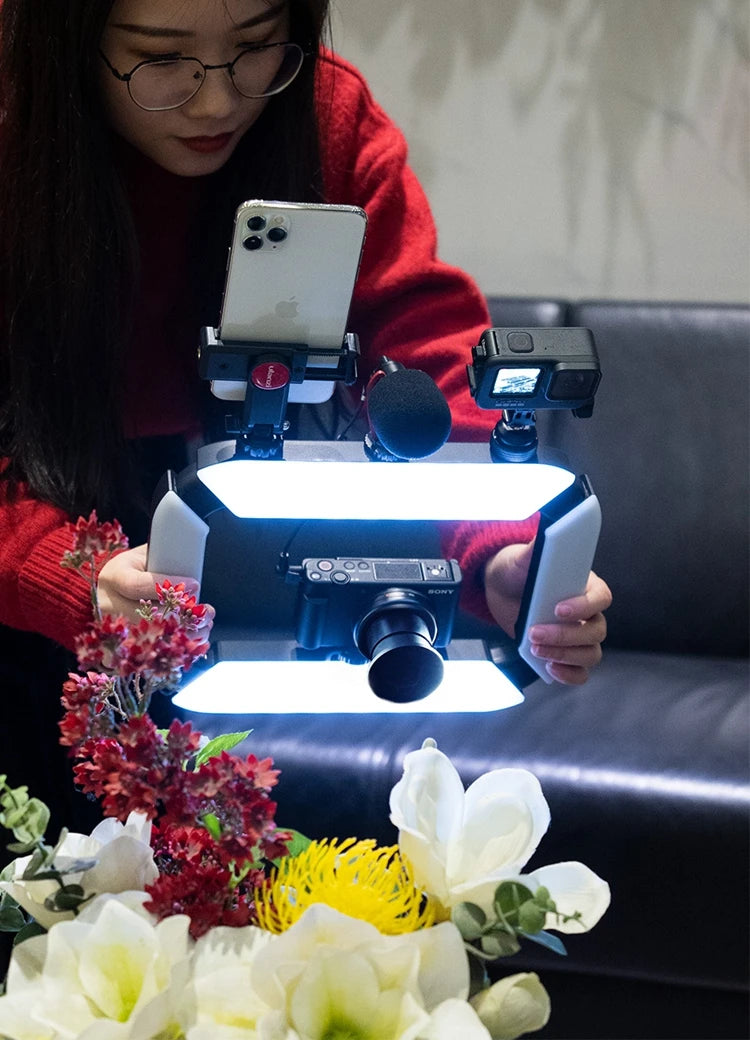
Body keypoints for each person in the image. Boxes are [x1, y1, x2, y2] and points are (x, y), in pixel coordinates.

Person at [0, 0, 611, 834]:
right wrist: (60, 573)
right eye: (161, 59)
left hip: (179, 531)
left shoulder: (324, 118)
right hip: (28, 502)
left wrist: (500, 552)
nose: (217, 102)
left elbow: (430, 349)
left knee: (143, 886)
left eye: (256, 48)